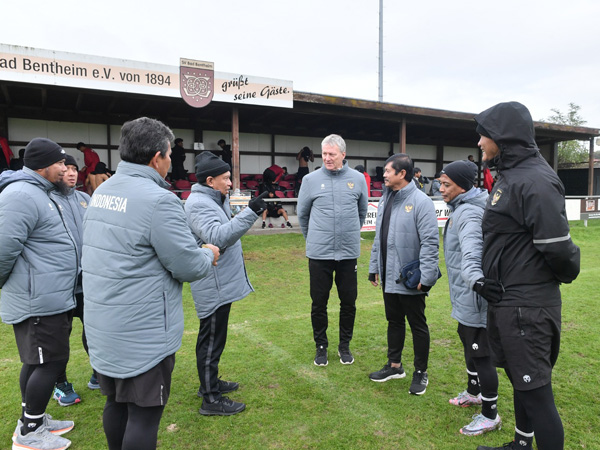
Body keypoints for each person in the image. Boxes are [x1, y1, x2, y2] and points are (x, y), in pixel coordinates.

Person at [82, 117, 220, 450]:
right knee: (144, 414)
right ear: (157, 157)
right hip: (142, 332)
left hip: (104, 325)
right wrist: (207, 253)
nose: (171, 161)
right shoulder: (159, 200)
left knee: (115, 402)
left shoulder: (102, 191)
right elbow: (187, 265)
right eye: (170, 154)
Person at [474, 102, 580, 450]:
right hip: (510, 301)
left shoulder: (534, 180)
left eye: (484, 135)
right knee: (522, 383)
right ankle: (521, 445)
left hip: (527, 307)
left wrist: (533, 283)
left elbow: (558, 248)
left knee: (536, 393)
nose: (479, 143)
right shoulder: (512, 175)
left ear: (503, 137)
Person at [0, 138, 76, 450]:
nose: (65, 168)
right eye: (60, 163)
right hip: (38, 299)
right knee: (49, 363)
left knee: (37, 362)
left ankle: (34, 417)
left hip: (51, 296)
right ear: (44, 167)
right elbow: (3, 249)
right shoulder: (20, 195)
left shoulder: (42, 192)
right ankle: (30, 433)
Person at [185, 152, 267, 416]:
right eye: (226, 178)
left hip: (219, 282)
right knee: (210, 339)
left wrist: (243, 211)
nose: (231, 183)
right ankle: (210, 398)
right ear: (210, 180)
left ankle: (210, 383)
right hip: (212, 283)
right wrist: (251, 212)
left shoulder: (212, 199)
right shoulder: (198, 204)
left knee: (215, 337)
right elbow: (217, 237)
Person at [367, 153, 439, 396]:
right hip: (388, 276)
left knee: (417, 325)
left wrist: (426, 277)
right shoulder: (385, 199)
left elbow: (430, 242)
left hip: (411, 278)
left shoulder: (421, 202)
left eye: (388, 171)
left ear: (402, 174)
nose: (383, 175)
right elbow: (379, 237)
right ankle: (395, 366)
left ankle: (421, 372)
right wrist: (374, 267)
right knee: (394, 321)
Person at [439, 160, 501, 436]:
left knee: (481, 352)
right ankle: (474, 392)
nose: (440, 189)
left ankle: (490, 414)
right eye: (440, 183)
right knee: (467, 340)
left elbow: (472, 251)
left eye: (446, 184)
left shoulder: (469, 214)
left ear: (463, 185)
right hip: (465, 294)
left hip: (475, 295)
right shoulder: (463, 207)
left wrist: (476, 281)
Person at [297, 134, 368, 366]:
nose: (327, 158)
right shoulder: (310, 180)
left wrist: (347, 235)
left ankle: (344, 345)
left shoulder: (358, 179)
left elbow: (361, 212)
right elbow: (303, 215)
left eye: (331, 154)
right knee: (319, 303)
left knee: (349, 302)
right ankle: (321, 346)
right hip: (319, 254)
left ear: (343, 155)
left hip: (348, 253)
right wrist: (315, 239)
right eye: (324, 154)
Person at [50, 154, 96, 408]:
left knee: (95, 331)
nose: (70, 173)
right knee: (59, 338)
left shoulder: (85, 200)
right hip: (60, 286)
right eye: (65, 168)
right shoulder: (45, 200)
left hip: (87, 282)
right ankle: (60, 383)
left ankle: (99, 372)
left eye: (74, 169)